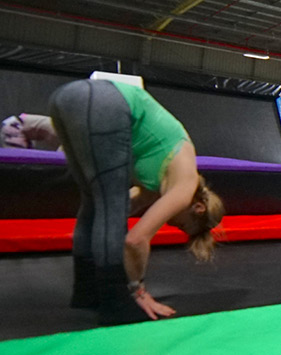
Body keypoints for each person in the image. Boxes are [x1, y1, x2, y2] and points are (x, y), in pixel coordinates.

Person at [47, 78, 225, 325]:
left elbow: (118, 211)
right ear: (198, 207)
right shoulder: (185, 184)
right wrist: (137, 289)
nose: (173, 225)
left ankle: (86, 293)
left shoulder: (160, 184)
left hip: (65, 97)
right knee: (110, 207)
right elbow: (135, 239)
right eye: (183, 225)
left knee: (96, 204)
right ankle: (115, 302)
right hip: (105, 103)